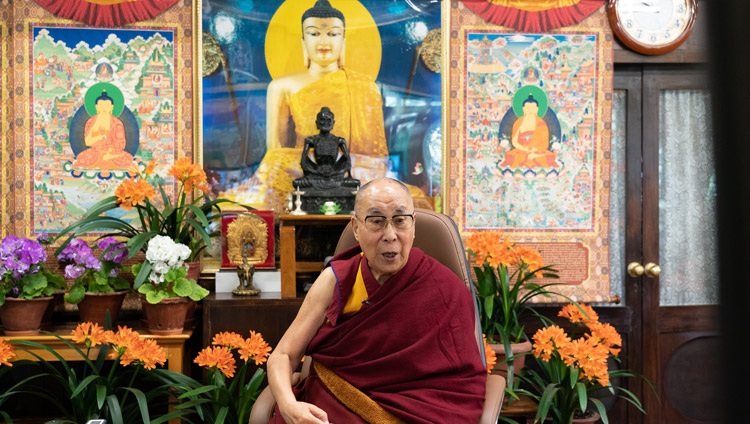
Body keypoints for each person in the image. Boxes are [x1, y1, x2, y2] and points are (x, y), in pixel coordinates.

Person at [267, 177, 486, 423]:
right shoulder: (338, 280)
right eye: (376, 221)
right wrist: (288, 405)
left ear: (413, 227)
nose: (390, 235)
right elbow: (283, 355)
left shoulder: (445, 289)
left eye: (400, 221)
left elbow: (460, 387)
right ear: (356, 228)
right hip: (333, 408)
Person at [225, 0, 428, 212]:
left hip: (352, 174)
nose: (324, 41)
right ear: (303, 40)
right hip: (303, 176)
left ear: (343, 40)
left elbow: (375, 160)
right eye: (314, 34)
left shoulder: (365, 87)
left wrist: (342, 168)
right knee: (242, 197)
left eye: (332, 34)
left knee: (415, 199)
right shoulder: (281, 86)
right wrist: (312, 167)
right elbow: (276, 157)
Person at [293, 106, 359, 190]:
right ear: (317, 123)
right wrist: (316, 172)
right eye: (322, 120)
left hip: (335, 176)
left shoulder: (339, 141)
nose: (325, 123)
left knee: (355, 183)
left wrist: (337, 173)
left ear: (333, 123)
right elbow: (304, 163)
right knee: (297, 183)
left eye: (328, 120)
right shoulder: (311, 140)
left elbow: (347, 163)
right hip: (316, 176)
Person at [73, 90, 134, 169]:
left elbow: (121, 144)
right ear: (97, 107)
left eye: (107, 105)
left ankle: (105, 160)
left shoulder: (117, 123)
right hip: (95, 152)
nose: (104, 108)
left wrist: (110, 152)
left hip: (112, 153)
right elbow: (87, 142)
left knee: (127, 158)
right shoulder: (91, 122)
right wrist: (100, 137)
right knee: (82, 158)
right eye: (101, 105)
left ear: (112, 107)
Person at [500, 94, 558, 169]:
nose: (530, 110)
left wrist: (534, 151)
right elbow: (514, 141)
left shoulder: (541, 123)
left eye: (533, 108)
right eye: (528, 108)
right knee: (510, 156)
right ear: (523, 109)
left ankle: (532, 158)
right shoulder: (518, 123)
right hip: (521, 150)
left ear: (537, 109)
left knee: (549, 156)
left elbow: (544, 143)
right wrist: (524, 149)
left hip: (537, 151)